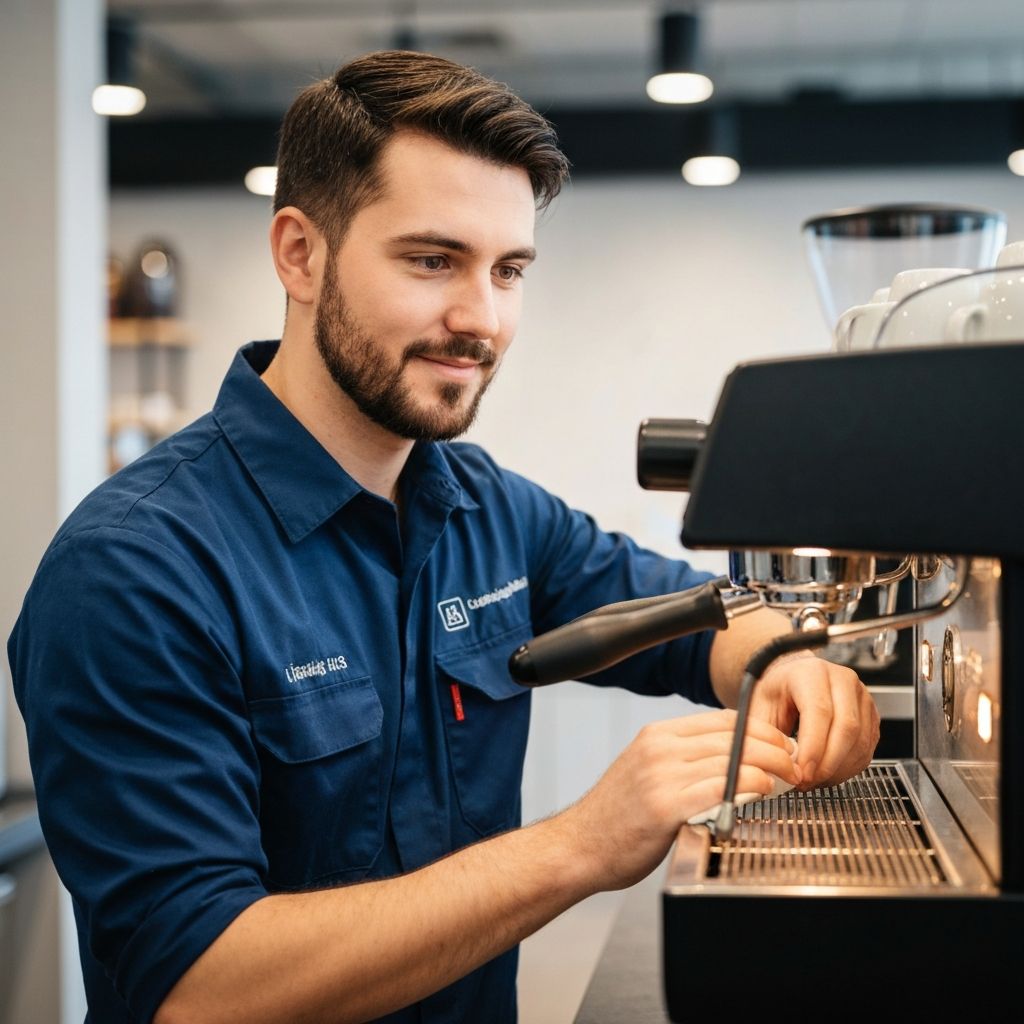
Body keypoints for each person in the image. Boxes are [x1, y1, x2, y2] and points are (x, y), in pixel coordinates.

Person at [8, 50, 878, 1024]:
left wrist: (791, 660)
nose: (481, 319)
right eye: (432, 260)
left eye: (507, 269)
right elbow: (201, 986)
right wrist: (583, 841)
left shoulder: (486, 508)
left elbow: (691, 622)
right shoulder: (133, 571)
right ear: (299, 253)